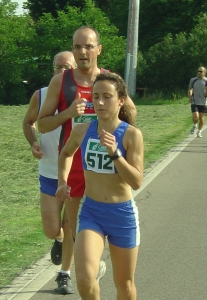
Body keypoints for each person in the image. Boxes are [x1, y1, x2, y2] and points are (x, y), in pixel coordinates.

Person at [38, 26, 137, 283]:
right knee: (73, 227)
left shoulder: (109, 80)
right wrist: (69, 113)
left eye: (88, 46)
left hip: (103, 167)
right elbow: (43, 124)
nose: (83, 52)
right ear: (73, 49)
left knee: (83, 224)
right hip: (73, 163)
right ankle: (85, 266)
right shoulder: (61, 81)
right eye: (78, 47)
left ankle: (73, 271)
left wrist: (120, 139)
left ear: (98, 49)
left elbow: (132, 114)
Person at [56, 72, 143, 300]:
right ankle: (94, 267)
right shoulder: (82, 130)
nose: (100, 102)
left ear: (121, 100)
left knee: (124, 286)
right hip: (92, 212)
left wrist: (115, 154)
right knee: (84, 279)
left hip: (121, 214)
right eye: (96, 96)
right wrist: (62, 181)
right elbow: (65, 153)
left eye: (107, 96)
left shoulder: (131, 135)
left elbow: (136, 181)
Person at [22, 51, 77, 294]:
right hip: (49, 170)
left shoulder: (85, 95)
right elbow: (28, 122)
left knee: (71, 223)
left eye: (66, 68)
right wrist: (33, 143)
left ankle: (64, 273)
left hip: (77, 172)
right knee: (52, 228)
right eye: (57, 68)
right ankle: (59, 239)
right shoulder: (41, 95)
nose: (61, 72)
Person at [188, 66, 207, 137]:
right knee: (196, 116)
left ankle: (199, 131)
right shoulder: (193, 80)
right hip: (195, 101)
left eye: (201, 71)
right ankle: (194, 125)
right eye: (198, 71)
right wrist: (190, 97)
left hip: (203, 102)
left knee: (202, 118)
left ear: (205, 73)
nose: (199, 73)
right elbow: (190, 89)